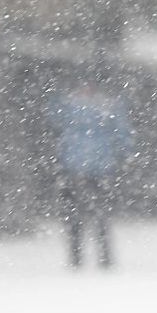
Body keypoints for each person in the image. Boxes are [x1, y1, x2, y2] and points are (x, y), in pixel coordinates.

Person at [50, 61, 133, 269]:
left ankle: (84, 257)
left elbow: (53, 119)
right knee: (93, 216)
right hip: (89, 166)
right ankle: (91, 257)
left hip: (85, 166)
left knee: (87, 216)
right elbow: (123, 134)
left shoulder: (70, 107)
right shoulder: (107, 107)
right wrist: (124, 153)